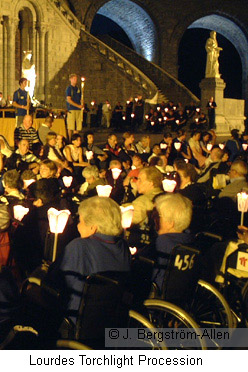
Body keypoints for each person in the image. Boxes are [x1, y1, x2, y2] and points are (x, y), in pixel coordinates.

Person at [46, 196, 131, 324]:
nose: (78, 226)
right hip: (111, 320)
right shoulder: (123, 246)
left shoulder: (79, 246)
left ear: (93, 227)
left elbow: (55, 282)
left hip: (75, 321)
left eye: (80, 221)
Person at [152, 193, 193, 292]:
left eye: (158, 215)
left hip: (159, 292)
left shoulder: (163, 242)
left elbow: (151, 273)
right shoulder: (189, 239)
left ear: (170, 223)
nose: (153, 217)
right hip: (182, 291)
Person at [66, 74, 83, 141]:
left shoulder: (78, 88)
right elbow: (69, 99)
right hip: (72, 109)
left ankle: (76, 139)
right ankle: (70, 140)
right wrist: (78, 105)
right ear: (71, 79)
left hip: (78, 110)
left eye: (76, 79)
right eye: (74, 79)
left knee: (77, 126)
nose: (75, 80)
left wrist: (81, 103)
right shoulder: (69, 88)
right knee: (71, 126)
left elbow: (80, 98)